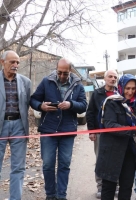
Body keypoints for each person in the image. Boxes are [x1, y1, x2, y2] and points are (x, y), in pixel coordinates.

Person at [30, 58, 87, 200]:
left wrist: (71, 104)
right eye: (60, 72)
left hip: (67, 131)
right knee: (48, 164)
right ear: (56, 69)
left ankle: (61, 196)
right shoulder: (46, 82)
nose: (62, 76)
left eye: (65, 73)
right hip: (48, 130)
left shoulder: (78, 85)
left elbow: (84, 105)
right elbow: (33, 100)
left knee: (64, 164)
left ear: (70, 71)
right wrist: (41, 106)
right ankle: (50, 195)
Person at [95, 74, 136, 200]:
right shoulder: (111, 103)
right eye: (127, 88)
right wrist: (135, 132)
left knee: (126, 187)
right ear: (120, 87)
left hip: (129, 151)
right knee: (109, 188)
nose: (130, 92)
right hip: (111, 151)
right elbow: (110, 125)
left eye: (133, 88)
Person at [0, 50, 31, 200]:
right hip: (0, 125)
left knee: (18, 168)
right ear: (2, 62)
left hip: (19, 125)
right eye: (12, 62)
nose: (15, 65)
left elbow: (29, 104)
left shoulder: (26, 82)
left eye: (17, 62)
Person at [86, 69, 118, 199]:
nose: (113, 79)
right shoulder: (97, 94)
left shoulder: (119, 93)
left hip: (116, 133)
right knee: (101, 160)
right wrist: (91, 130)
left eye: (115, 77)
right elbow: (90, 112)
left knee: (116, 160)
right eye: (110, 76)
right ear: (105, 79)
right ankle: (100, 187)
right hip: (100, 132)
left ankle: (115, 187)